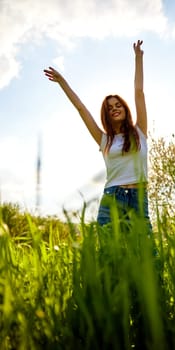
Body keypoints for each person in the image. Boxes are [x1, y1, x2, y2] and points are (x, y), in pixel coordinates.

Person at [44, 40, 151, 229]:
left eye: (118, 105)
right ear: (107, 115)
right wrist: (62, 82)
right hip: (112, 199)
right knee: (109, 256)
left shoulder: (139, 132)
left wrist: (138, 58)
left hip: (138, 199)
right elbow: (80, 108)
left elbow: (139, 92)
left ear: (125, 109)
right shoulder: (104, 140)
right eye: (110, 108)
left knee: (147, 255)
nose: (115, 109)